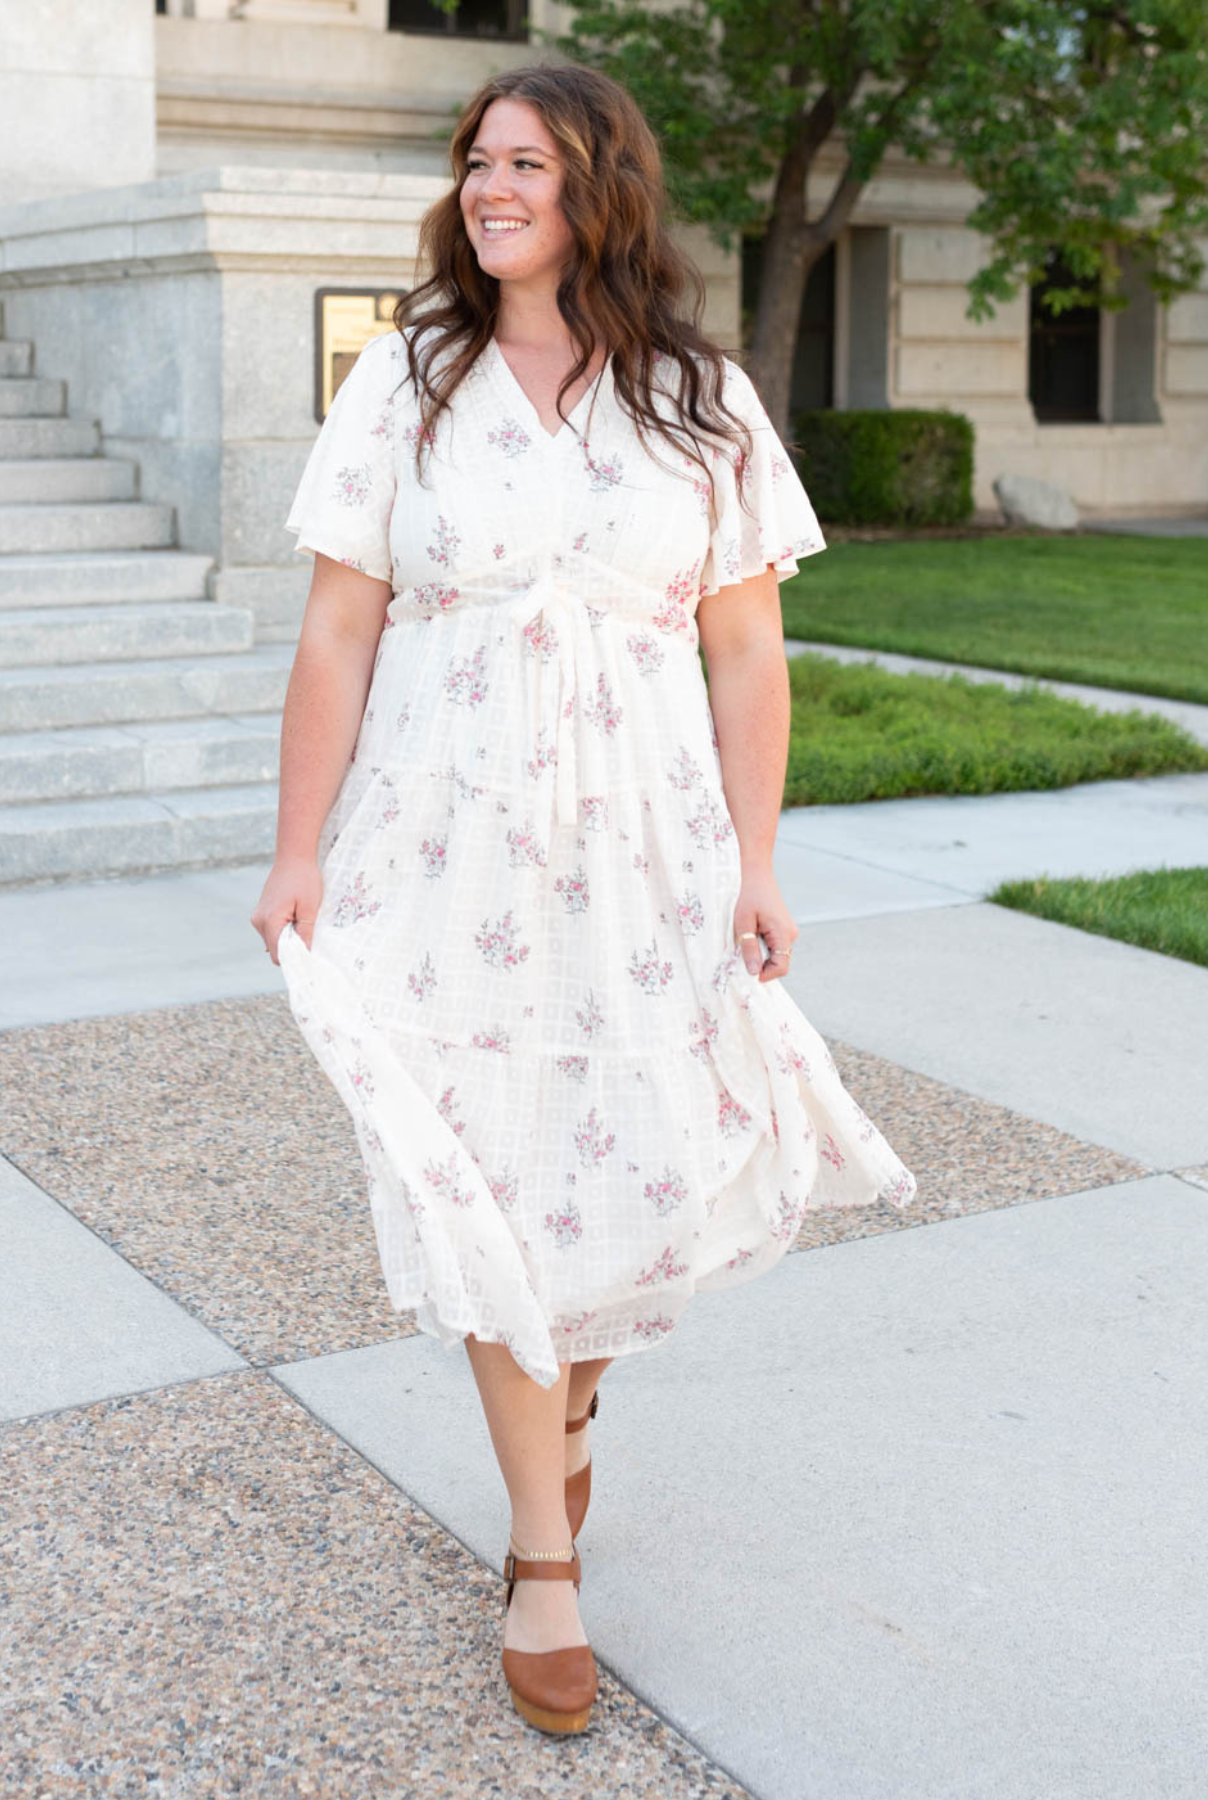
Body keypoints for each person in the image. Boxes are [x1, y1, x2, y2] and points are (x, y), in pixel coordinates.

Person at [252, 59, 918, 1737]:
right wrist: (296, 844)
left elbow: (747, 644)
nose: (490, 188)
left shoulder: (696, 394)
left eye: (526, 164)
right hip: (439, 839)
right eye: (476, 162)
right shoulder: (408, 378)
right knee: (482, 1171)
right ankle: (542, 1559)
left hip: (645, 848)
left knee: (652, 1149)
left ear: (596, 186)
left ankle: (568, 1402)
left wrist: (761, 859)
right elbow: (338, 627)